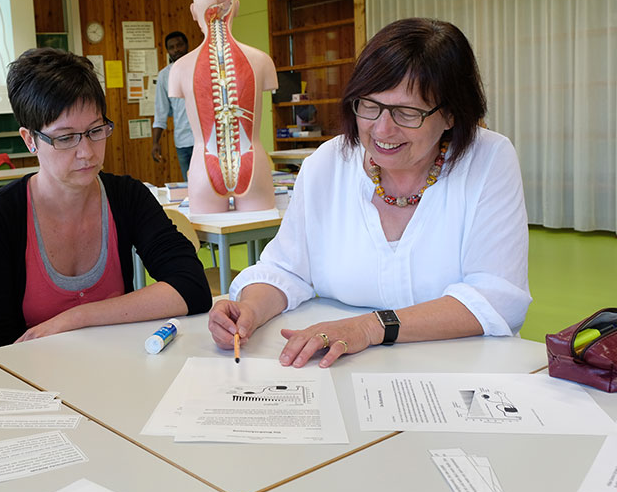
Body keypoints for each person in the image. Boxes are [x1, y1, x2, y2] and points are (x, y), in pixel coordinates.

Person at [208, 18, 531, 367]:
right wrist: (249, 310)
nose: (382, 129)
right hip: (343, 372)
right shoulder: (328, 164)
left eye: (407, 112)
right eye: (369, 105)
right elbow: (287, 269)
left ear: (451, 114)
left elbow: (496, 297)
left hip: (460, 373)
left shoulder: (488, 160)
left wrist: (371, 326)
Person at [0, 48, 211, 352]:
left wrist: (77, 317)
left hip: (118, 372)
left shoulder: (126, 197)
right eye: (66, 138)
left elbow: (192, 288)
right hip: (34, 384)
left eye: (96, 130)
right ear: (30, 139)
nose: (87, 152)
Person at [169, 0, 276, 213]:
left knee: (216, 236)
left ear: (193, 12)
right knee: (258, 236)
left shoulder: (180, 68)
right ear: (235, 7)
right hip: (251, 164)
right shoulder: (262, 60)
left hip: (204, 168)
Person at [151, 31, 192, 180]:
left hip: (206, 141)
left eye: (179, 45)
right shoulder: (164, 76)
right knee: (190, 186)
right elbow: (161, 112)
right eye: (172, 47)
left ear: (186, 46)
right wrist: (155, 142)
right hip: (183, 142)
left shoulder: (200, 67)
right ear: (168, 51)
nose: (176, 50)